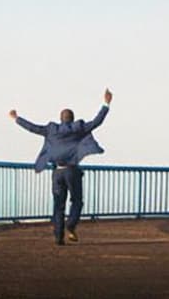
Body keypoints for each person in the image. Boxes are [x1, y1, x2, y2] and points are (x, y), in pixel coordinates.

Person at [9, 89, 113, 245]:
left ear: (61, 119)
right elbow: (97, 121)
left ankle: (58, 237)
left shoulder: (51, 130)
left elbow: (33, 128)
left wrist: (16, 118)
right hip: (72, 171)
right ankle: (71, 225)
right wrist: (106, 103)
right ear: (72, 119)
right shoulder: (78, 128)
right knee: (77, 201)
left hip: (57, 172)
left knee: (59, 204)